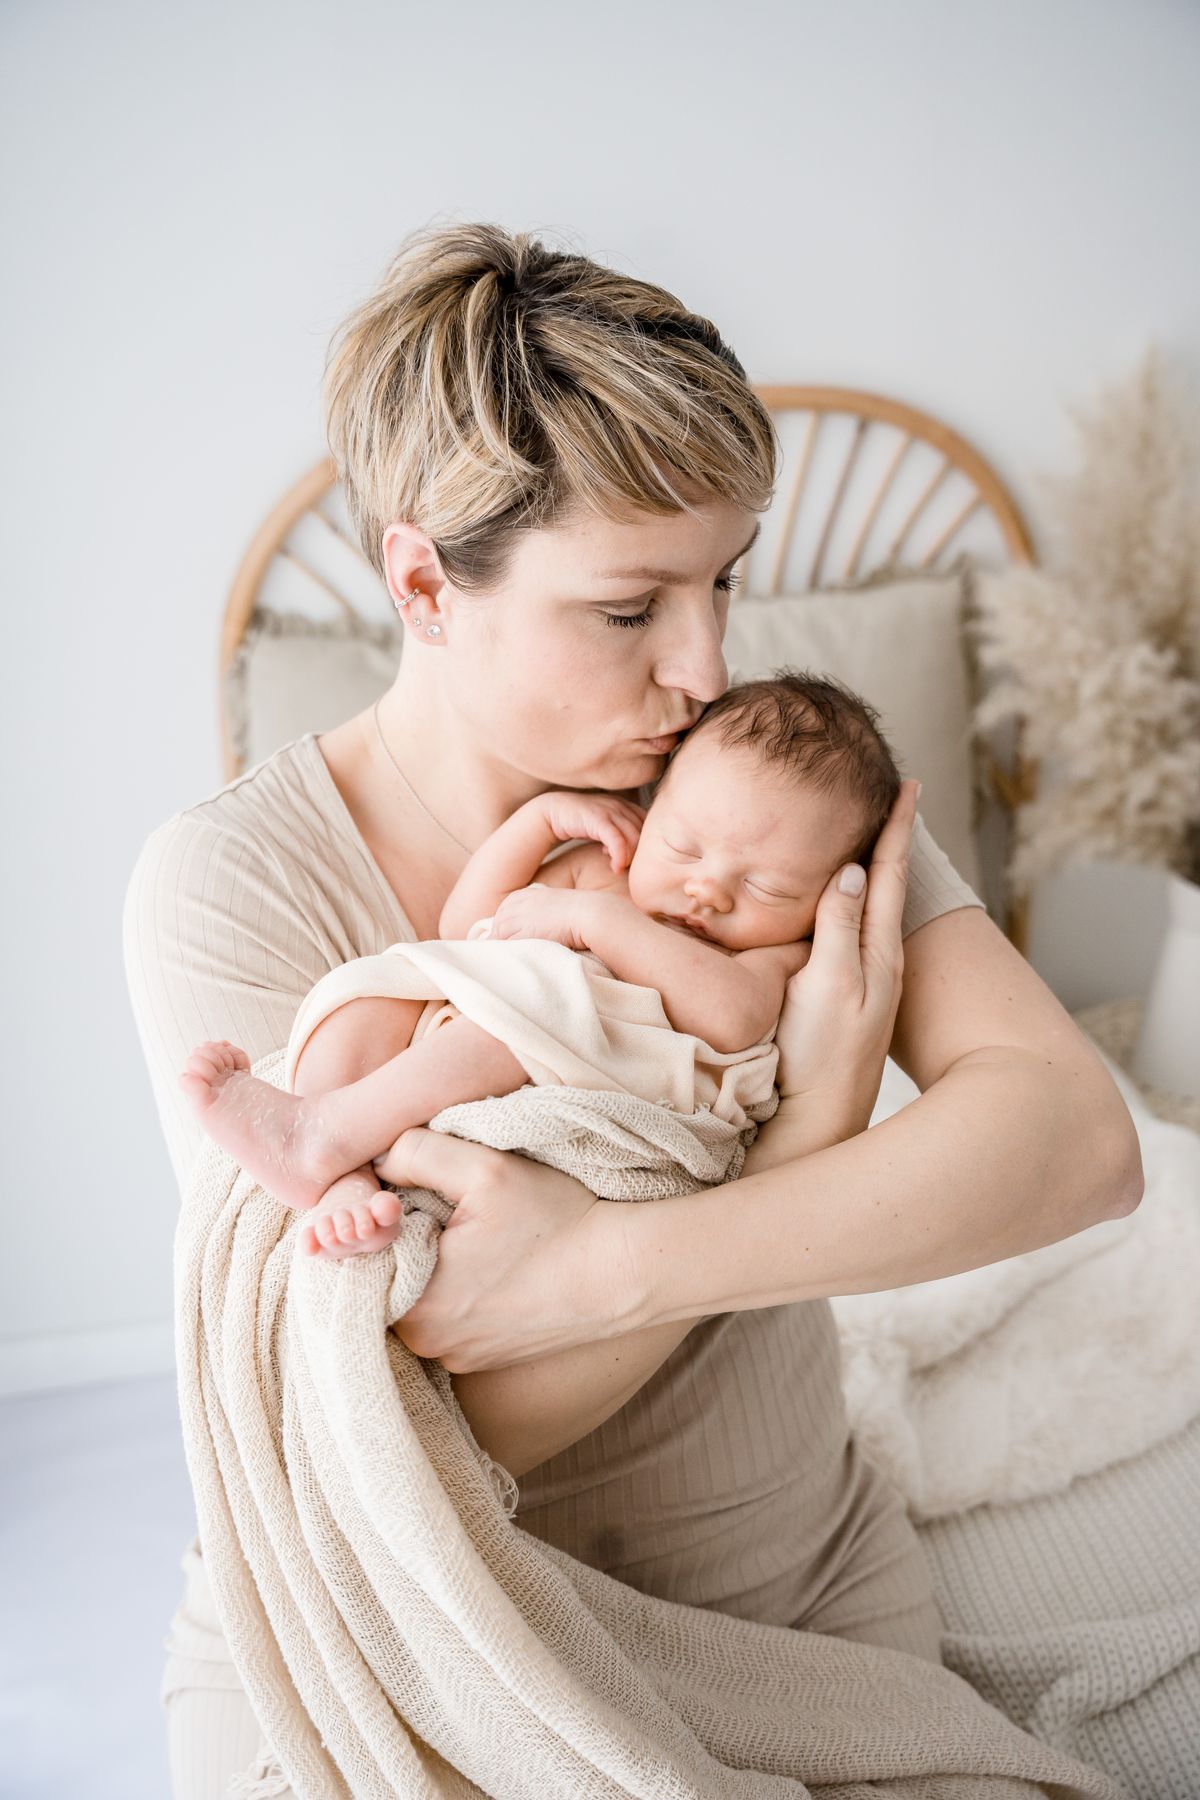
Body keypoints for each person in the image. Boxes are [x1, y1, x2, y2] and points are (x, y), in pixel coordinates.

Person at [123, 221, 1142, 1799]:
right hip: (392, 1617)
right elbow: (399, 1444)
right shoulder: (232, 881)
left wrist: (606, 1253)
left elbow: (1080, 1145)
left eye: (728, 582)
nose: (705, 662)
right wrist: (802, 1133)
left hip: (774, 1590)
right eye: (630, 609)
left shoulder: (759, 793)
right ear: (422, 582)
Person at [177, 671, 900, 1263]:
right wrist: (541, 823)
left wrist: (596, 923)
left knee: (530, 1009)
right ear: (657, 803)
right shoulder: (602, 865)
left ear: (826, 892)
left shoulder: (768, 953)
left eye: (767, 886)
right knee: (372, 991)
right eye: (683, 844)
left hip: (572, 1064)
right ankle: (333, 1168)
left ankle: (328, 1137)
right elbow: (466, 933)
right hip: (465, 1033)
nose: (708, 889)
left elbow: (735, 1018)